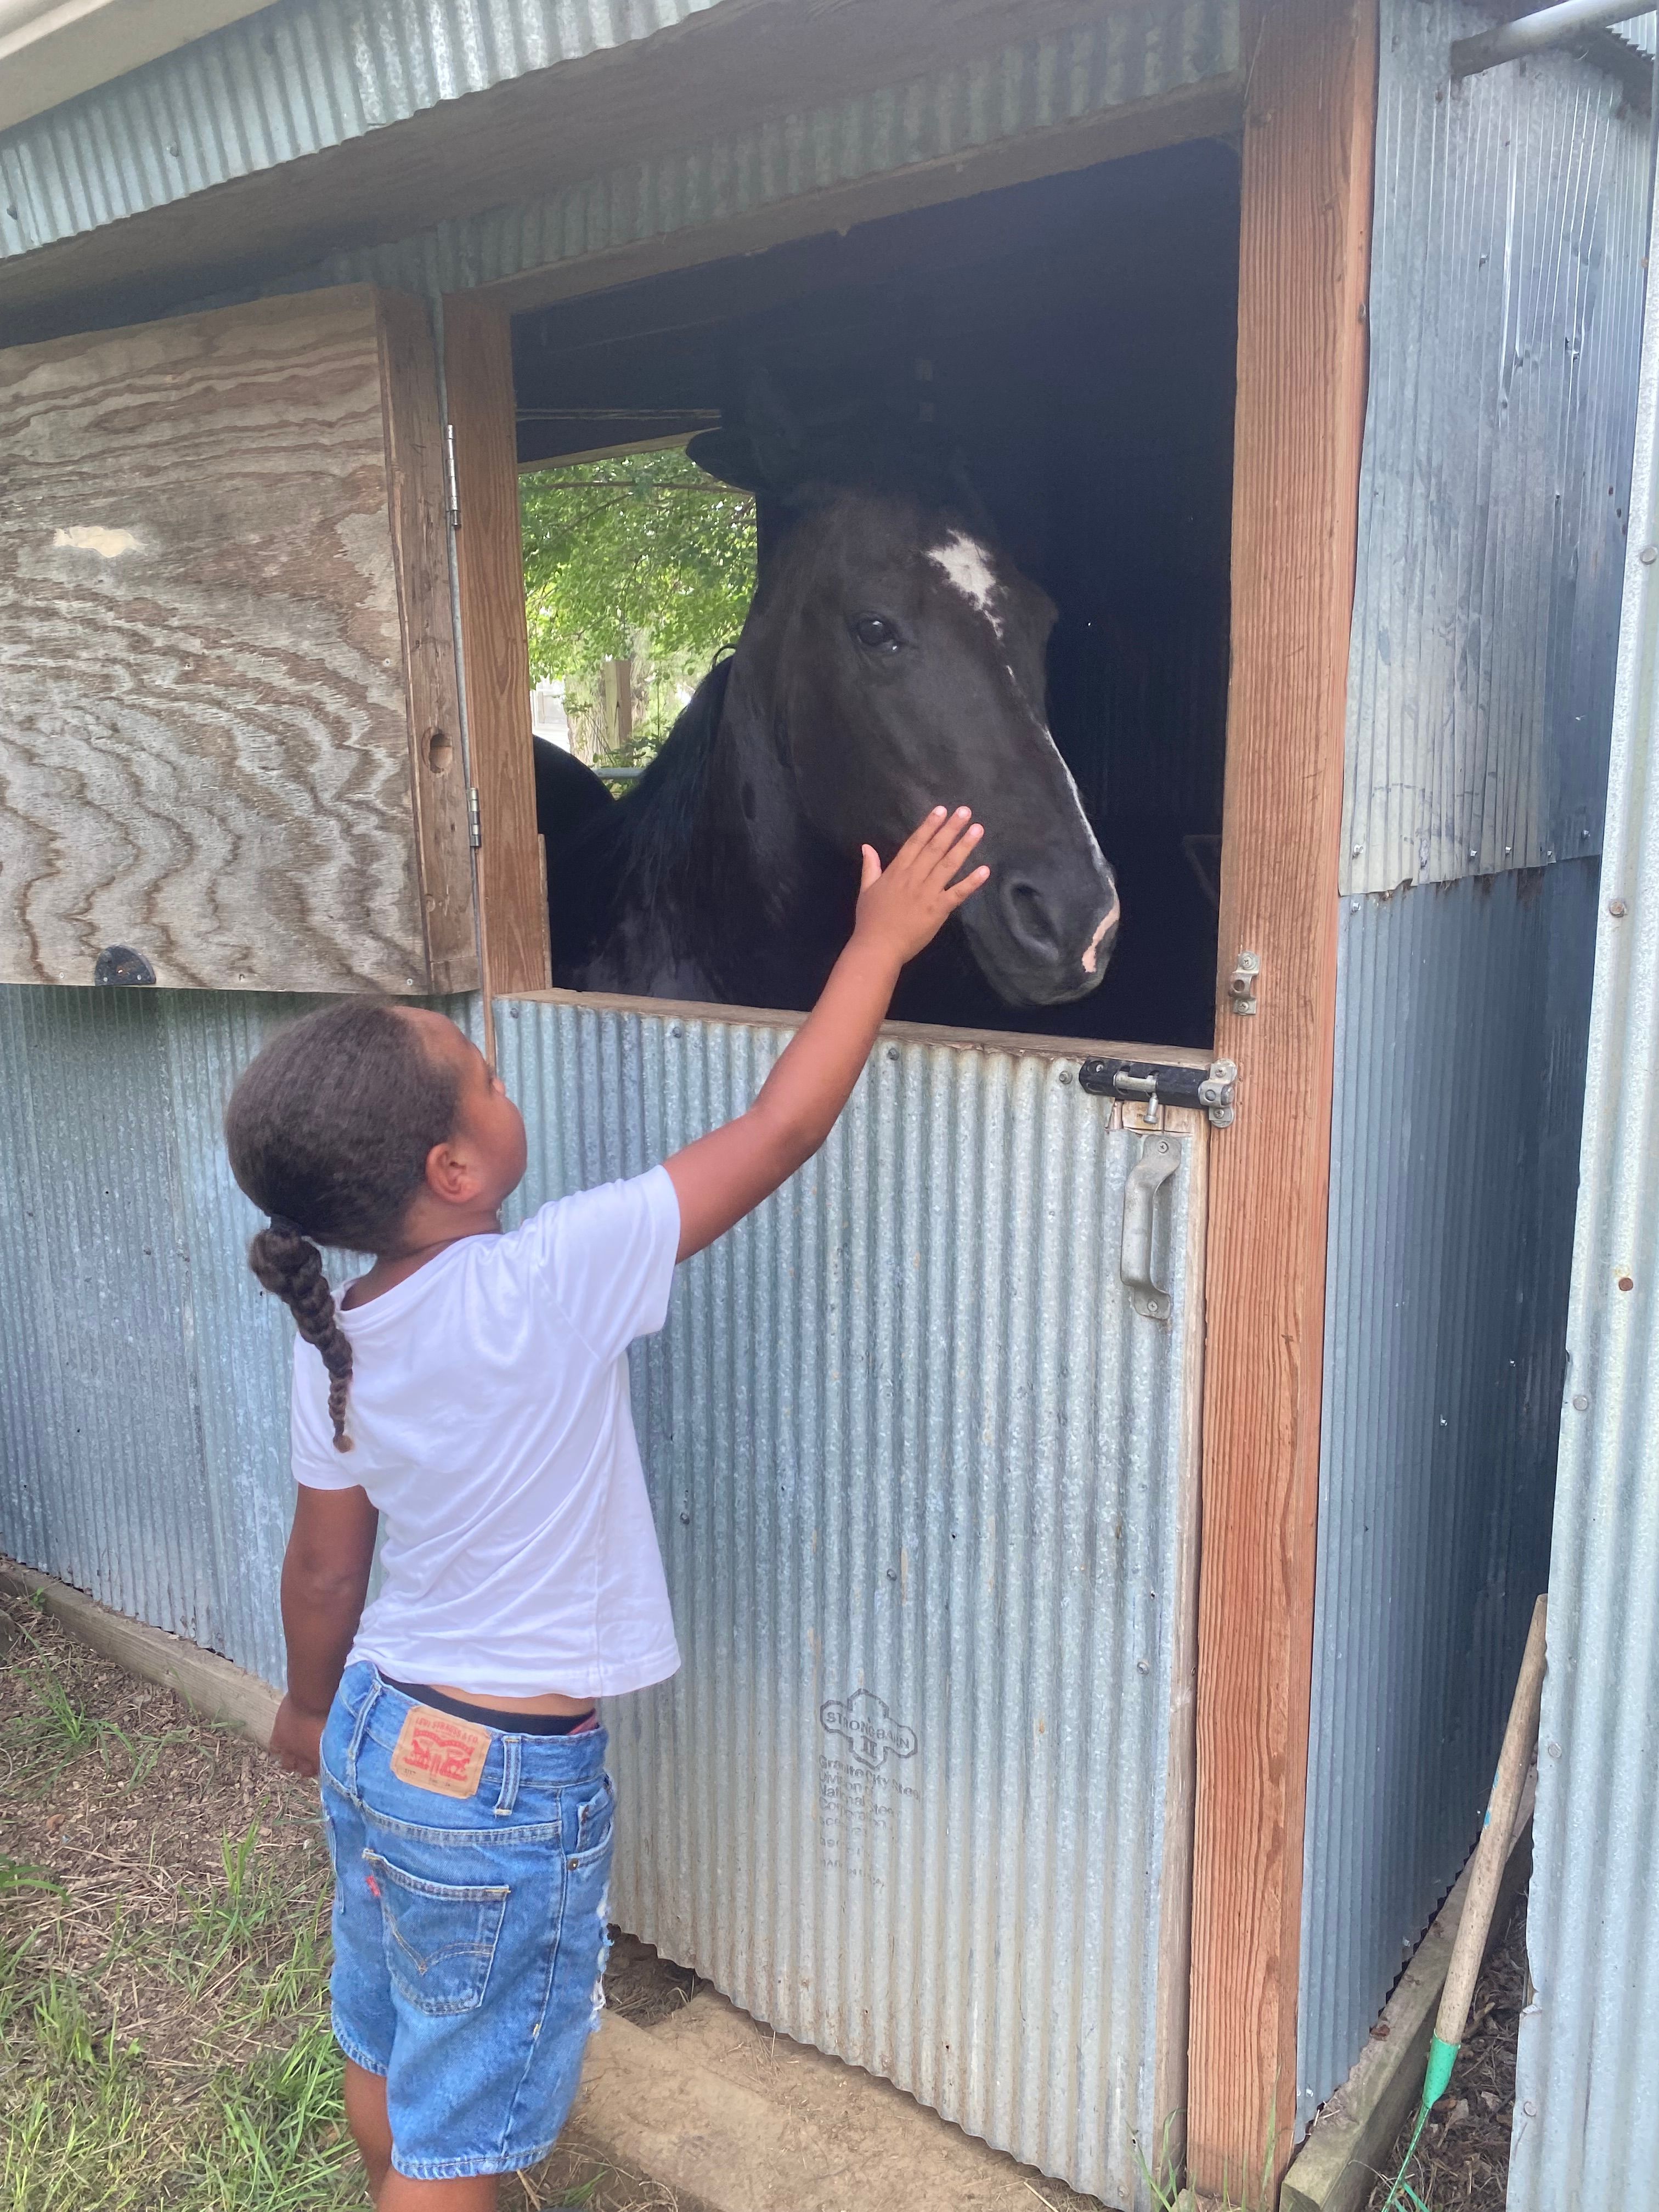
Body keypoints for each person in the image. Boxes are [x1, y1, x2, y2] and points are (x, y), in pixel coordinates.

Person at [223, 806, 988, 2209]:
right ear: (456, 1171)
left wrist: (302, 1708)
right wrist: (880, 947)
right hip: (502, 1780)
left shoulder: (330, 1335)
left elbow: (326, 1571)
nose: (511, 1092)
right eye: (491, 1081)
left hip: (381, 1734)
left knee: (391, 2036)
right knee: (469, 2138)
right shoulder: (546, 1277)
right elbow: (782, 1128)